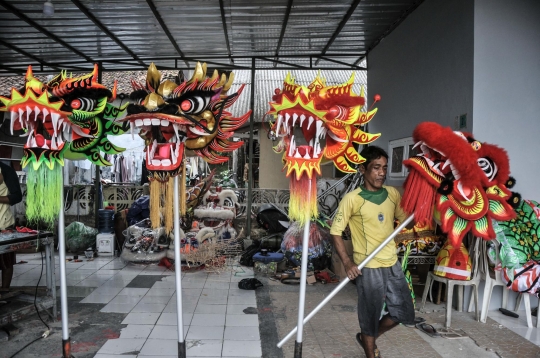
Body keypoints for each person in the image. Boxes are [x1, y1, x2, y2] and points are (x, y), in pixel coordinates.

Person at [330, 146, 415, 358]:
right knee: (369, 316)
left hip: (391, 263)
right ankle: (370, 350)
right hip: (367, 266)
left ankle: (367, 336)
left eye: (384, 168)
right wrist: (348, 263)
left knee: (403, 312)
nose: (382, 173)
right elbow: (335, 232)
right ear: (362, 169)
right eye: (376, 168)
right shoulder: (352, 199)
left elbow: (404, 220)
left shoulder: (392, 194)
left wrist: (418, 207)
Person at [0, 161, 23, 293]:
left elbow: (17, 196)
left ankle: (4, 291)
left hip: (4, 223)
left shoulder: (6, 171)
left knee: (6, 261)